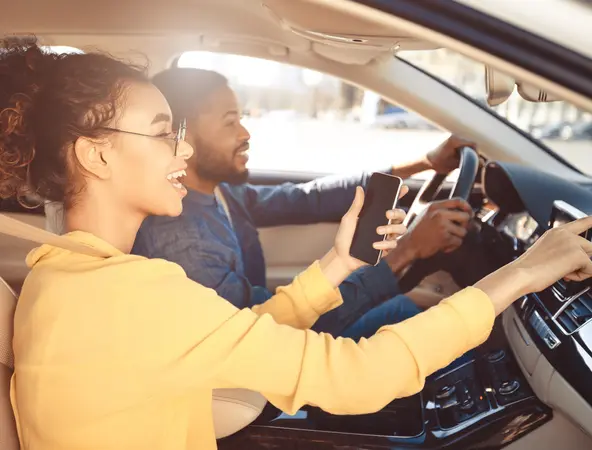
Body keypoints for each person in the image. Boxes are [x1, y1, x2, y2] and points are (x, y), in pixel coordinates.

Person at [3, 40, 592, 450]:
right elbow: (357, 375)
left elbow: (236, 329)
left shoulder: (66, 274)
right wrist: (520, 274)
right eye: (163, 134)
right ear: (95, 153)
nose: (181, 152)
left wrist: (338, 264)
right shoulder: (136, 293)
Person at [133, 67, 475, 340]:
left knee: (408, 311)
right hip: (269, 354)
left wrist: (424, 163)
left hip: (282, 330)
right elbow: (269, 333)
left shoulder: (221, 192)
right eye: (230, 121)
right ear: (183, 135)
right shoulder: (182, 238)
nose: (245, 133)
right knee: (407, 318)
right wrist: (408, 251)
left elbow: (308, 198)